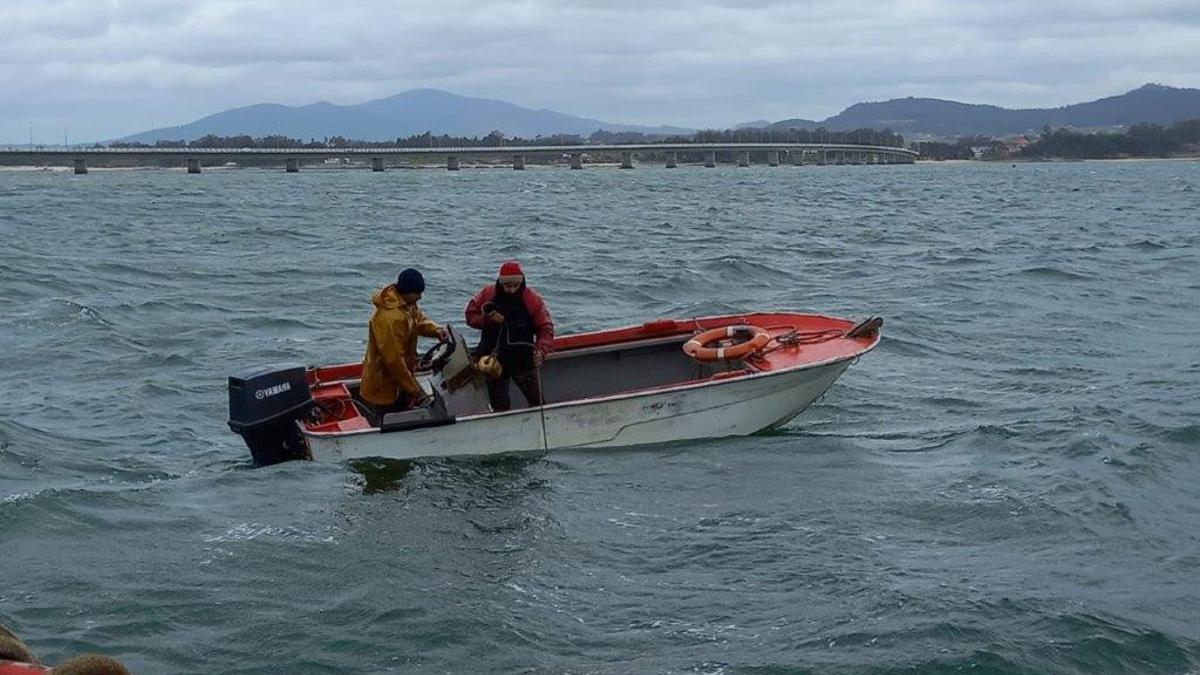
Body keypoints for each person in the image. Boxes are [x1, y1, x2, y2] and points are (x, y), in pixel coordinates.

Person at [359, 268, 448, 421]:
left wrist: (436, 331)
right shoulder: (390, 318)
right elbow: (393, 361)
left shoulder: (407, 305)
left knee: (403, 412)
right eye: (417, 293)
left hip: (401, 382)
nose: (420, 297)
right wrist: (416, 390)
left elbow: (418, 321)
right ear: (406, 292)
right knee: (387, 421)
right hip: (384, 385)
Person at [465, 260, 554, 411]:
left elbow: (546, 329)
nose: (512, 290)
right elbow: (470, 316)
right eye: (507, 286)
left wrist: (540, 350)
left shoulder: (532, 300)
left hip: (523, 360)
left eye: (516, 286)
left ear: (522, 282)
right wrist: (487, 320)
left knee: (538, 404)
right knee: (500, 407)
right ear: (500, 283)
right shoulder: (487, 294)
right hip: (494, 362)